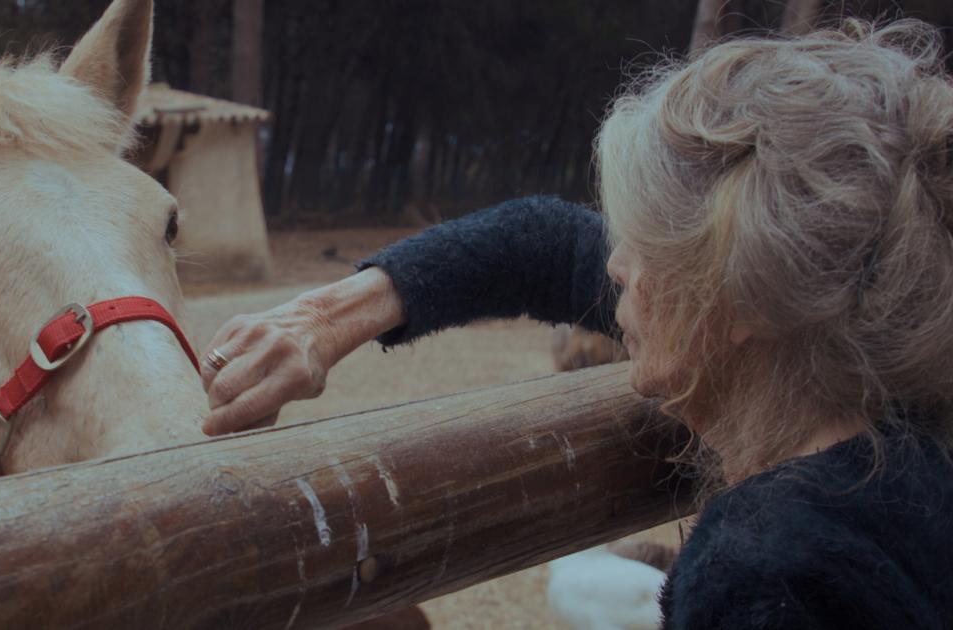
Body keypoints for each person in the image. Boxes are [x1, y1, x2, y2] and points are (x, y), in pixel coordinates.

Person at [199, 19, 953, 627]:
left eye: (646, 242)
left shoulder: (768, 571)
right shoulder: (890, 413)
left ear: (741, 302)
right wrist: (324, 318)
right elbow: (546, 241)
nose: (614, 261)